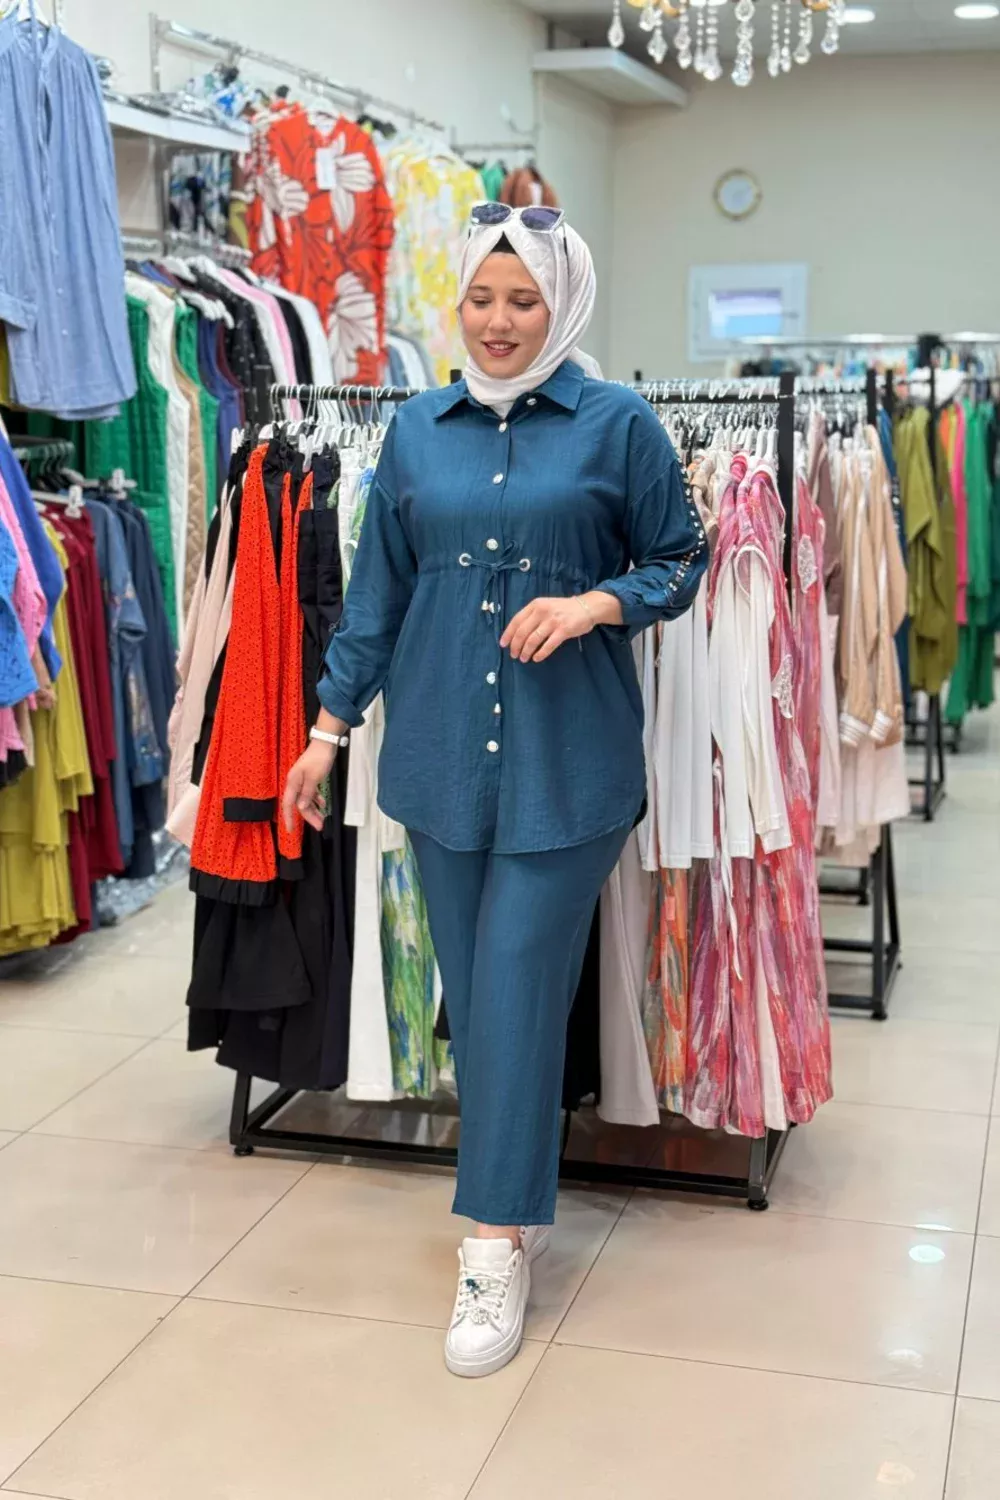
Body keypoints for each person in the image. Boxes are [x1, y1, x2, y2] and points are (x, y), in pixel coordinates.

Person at [281, 204, 708, 1378]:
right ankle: (513, 1205)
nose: (500, 321)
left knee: (514, 978)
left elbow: (680, 559)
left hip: (571, 763)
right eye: (481, 298)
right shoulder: (416, 431)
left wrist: (595, 603)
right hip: (434, 756)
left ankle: (491, 1243)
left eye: (524, 300)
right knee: (477, 1000)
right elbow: (377, 598)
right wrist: (325, 734)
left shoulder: (618, 425)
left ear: (561, 304)